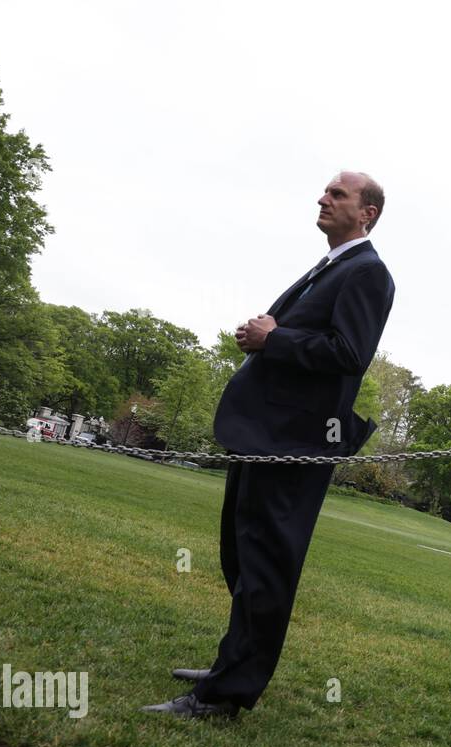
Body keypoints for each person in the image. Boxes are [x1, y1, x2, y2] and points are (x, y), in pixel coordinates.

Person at [143, 171, 396, 719]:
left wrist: (272, 338)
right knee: (241, 557)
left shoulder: (369, 273)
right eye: (325, 192)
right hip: (265, 437)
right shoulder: (331, 266)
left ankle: (226, 697)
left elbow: (348, 353)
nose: (323, 199)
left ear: (367, 213)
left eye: (337, 195)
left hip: (295, 445)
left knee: (266, 568)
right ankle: (230, 664)